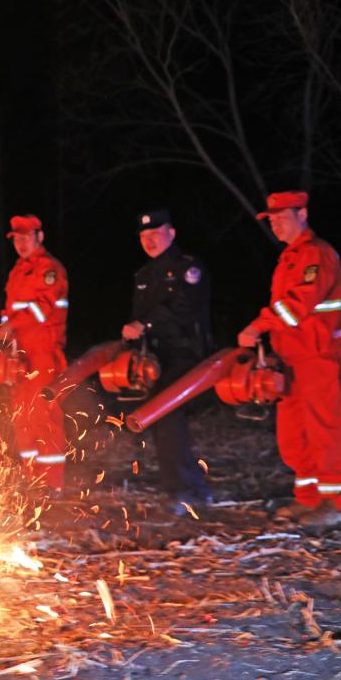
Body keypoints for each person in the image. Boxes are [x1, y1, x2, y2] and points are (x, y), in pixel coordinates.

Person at [237, 191, 341, 528]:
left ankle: (340, 505)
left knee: (327, 431)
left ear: (302, 214)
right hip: (291, 360)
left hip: (320, 359)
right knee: (296, 434)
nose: (275, 224)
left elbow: (297, 304)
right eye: (271, 219)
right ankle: (309, 499)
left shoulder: (316, 254)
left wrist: (257, 326)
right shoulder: (290, 258)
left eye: (281, 217)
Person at [122, 209, 214, 515]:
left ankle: (185, 492)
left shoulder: (188, 268)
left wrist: (144, 324)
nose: (149, 241)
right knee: (159, 422)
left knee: (166, 416)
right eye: (143, 236)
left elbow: (184, 306)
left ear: (171, 234)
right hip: (155, 360)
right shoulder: (143, 276)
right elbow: (138, 318)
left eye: (155, 234)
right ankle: (189, 488)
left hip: (187, 356)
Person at [0, 214, 69, 491]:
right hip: (20, 354)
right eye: (16, 239)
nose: (21, 243)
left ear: (40, 236)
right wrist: (3, 335)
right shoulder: (18, 270)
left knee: (44, 417)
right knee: (22, 418)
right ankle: (32, 481)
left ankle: (52, 485)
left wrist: (11, 325)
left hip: (43, 353)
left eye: (26, 237)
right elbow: (10, 310)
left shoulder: (49, 269)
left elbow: (43, 308)